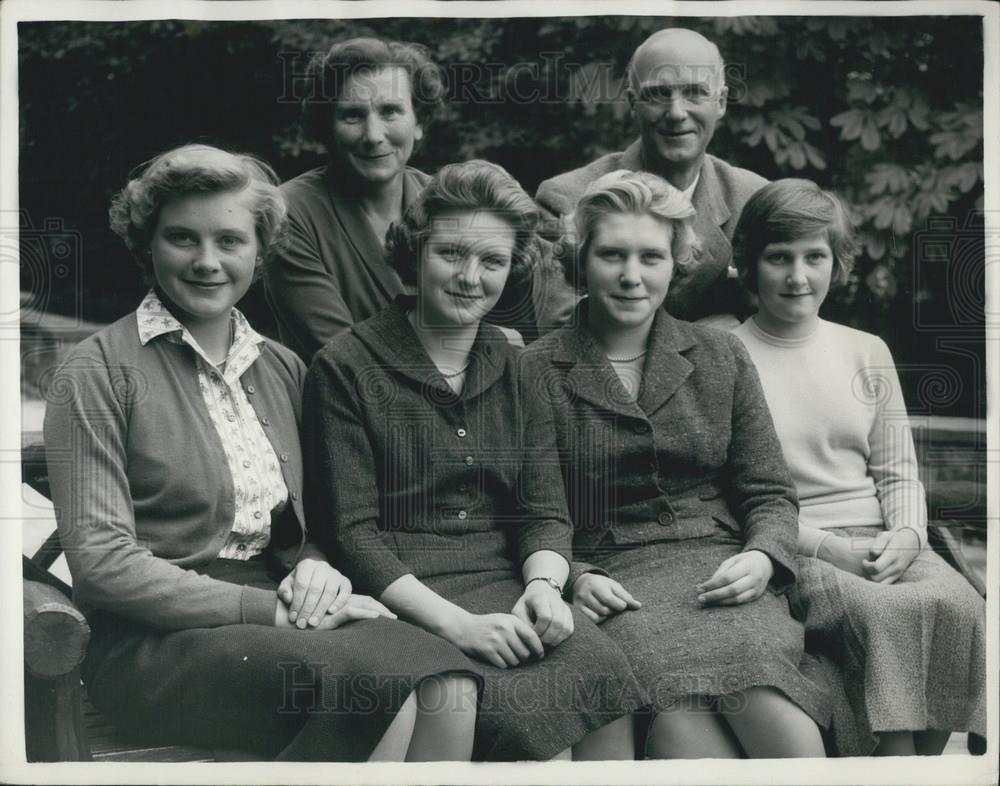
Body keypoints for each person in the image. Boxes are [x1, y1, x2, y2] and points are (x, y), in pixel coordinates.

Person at [42, 144, 481, 762]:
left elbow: (302, 526)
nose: (207, 261)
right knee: (376, 687)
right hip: (152, 641)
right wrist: (265, 609)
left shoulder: (282, 367)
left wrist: (316, 564)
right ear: (147, 245)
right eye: (182, 239)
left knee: (451, 685)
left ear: (259, 250)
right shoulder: (96, 370)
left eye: (230, 240)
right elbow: (103, 564)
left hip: (280, 614)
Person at [302, 159, 642, 761]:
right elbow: (350, 533)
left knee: (602, 671)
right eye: (451, 254)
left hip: (506, 583)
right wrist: (457, 625)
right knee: (531, 727)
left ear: (513, 271)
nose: (469, 277)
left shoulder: (515, 364)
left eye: (492, 261)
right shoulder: (346, 365)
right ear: (415, 252)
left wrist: (544, 585)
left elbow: (544, 511)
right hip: (402, 600)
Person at [524, 170, 828, 758]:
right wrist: (576, 575)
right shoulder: (537, 369)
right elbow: (534, 509)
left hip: (721, 573)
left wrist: (764, 556)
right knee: (685, 724)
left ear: (676, 262)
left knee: (781, 722)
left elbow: (768, 490)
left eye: (651, 256)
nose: (632, 276)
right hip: (618, 584)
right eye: (612, 255)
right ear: (581, 260)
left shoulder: (720, 353)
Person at [730, 178, 987, 756]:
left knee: (961, 605)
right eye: (779, 258)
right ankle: (892, 761)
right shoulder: (728, 353)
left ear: (836, 262)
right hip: (794, 545)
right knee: (885, 610)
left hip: (882, 537)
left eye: (814, 256)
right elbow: (727, 494)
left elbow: (897, 470)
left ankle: (923, 758)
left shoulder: (865, 349)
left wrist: (908, 533)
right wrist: (828, 548)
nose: (798, 276)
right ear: (749, 264)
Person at [264, 37, 535, 361]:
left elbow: (507, 319)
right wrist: (490, 342)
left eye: (390, 111)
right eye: (352, 115)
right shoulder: (291, 212)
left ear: (419, 122)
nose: (374, 135)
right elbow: (344, 357)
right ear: (327, 127)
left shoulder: (446, 199)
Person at [533, 27, 767, 330]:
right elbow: (560, 329)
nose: (676, 112)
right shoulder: (565, 199)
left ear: (720, 102)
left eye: (694, 93)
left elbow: (772, 323)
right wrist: (709, 335)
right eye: (658, 94)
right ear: (633, 103)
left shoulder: (754, 200)